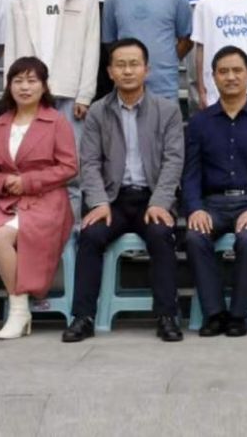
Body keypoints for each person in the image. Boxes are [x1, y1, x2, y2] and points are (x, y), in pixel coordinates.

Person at [65, 39, 186, 344]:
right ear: (110, 71)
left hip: (151, 198)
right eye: (120, 65)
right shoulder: (97, 112)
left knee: (161, 235)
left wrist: (161, 202)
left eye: (134, 64)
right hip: (113, 200)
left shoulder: (167, 111)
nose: (128, 71)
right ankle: (83, 317)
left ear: (147, 70)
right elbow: (89, 162)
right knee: (91, 236)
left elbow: (174, 160)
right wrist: (98, 202)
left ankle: (167, 315)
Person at [0, 57, 79, 340]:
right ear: (9, 86)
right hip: (9, 202)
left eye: (32, 81)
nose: (25, 87)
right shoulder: (0, 123)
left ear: (44, 86)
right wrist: (3, 182)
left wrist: (27, 182)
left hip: (47, 202)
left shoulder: (56, 121)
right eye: (18, 81)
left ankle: (20, 310)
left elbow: (69, 167)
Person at [182, 46, 247, 338]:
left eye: (237, 71)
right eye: (223, 71)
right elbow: (190, 174)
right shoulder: (200, 122)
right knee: (194, 237)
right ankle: (215, 313)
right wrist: (195, 208)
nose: (231, 77)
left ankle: (238, 315)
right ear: (213, 77)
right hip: (212, 205)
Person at [3, 0, 100, 121]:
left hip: (69, 90)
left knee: (70, 142)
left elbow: (91, 49)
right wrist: (10, 91)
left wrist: (85, 95)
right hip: (28, 91)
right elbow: (11, 49)